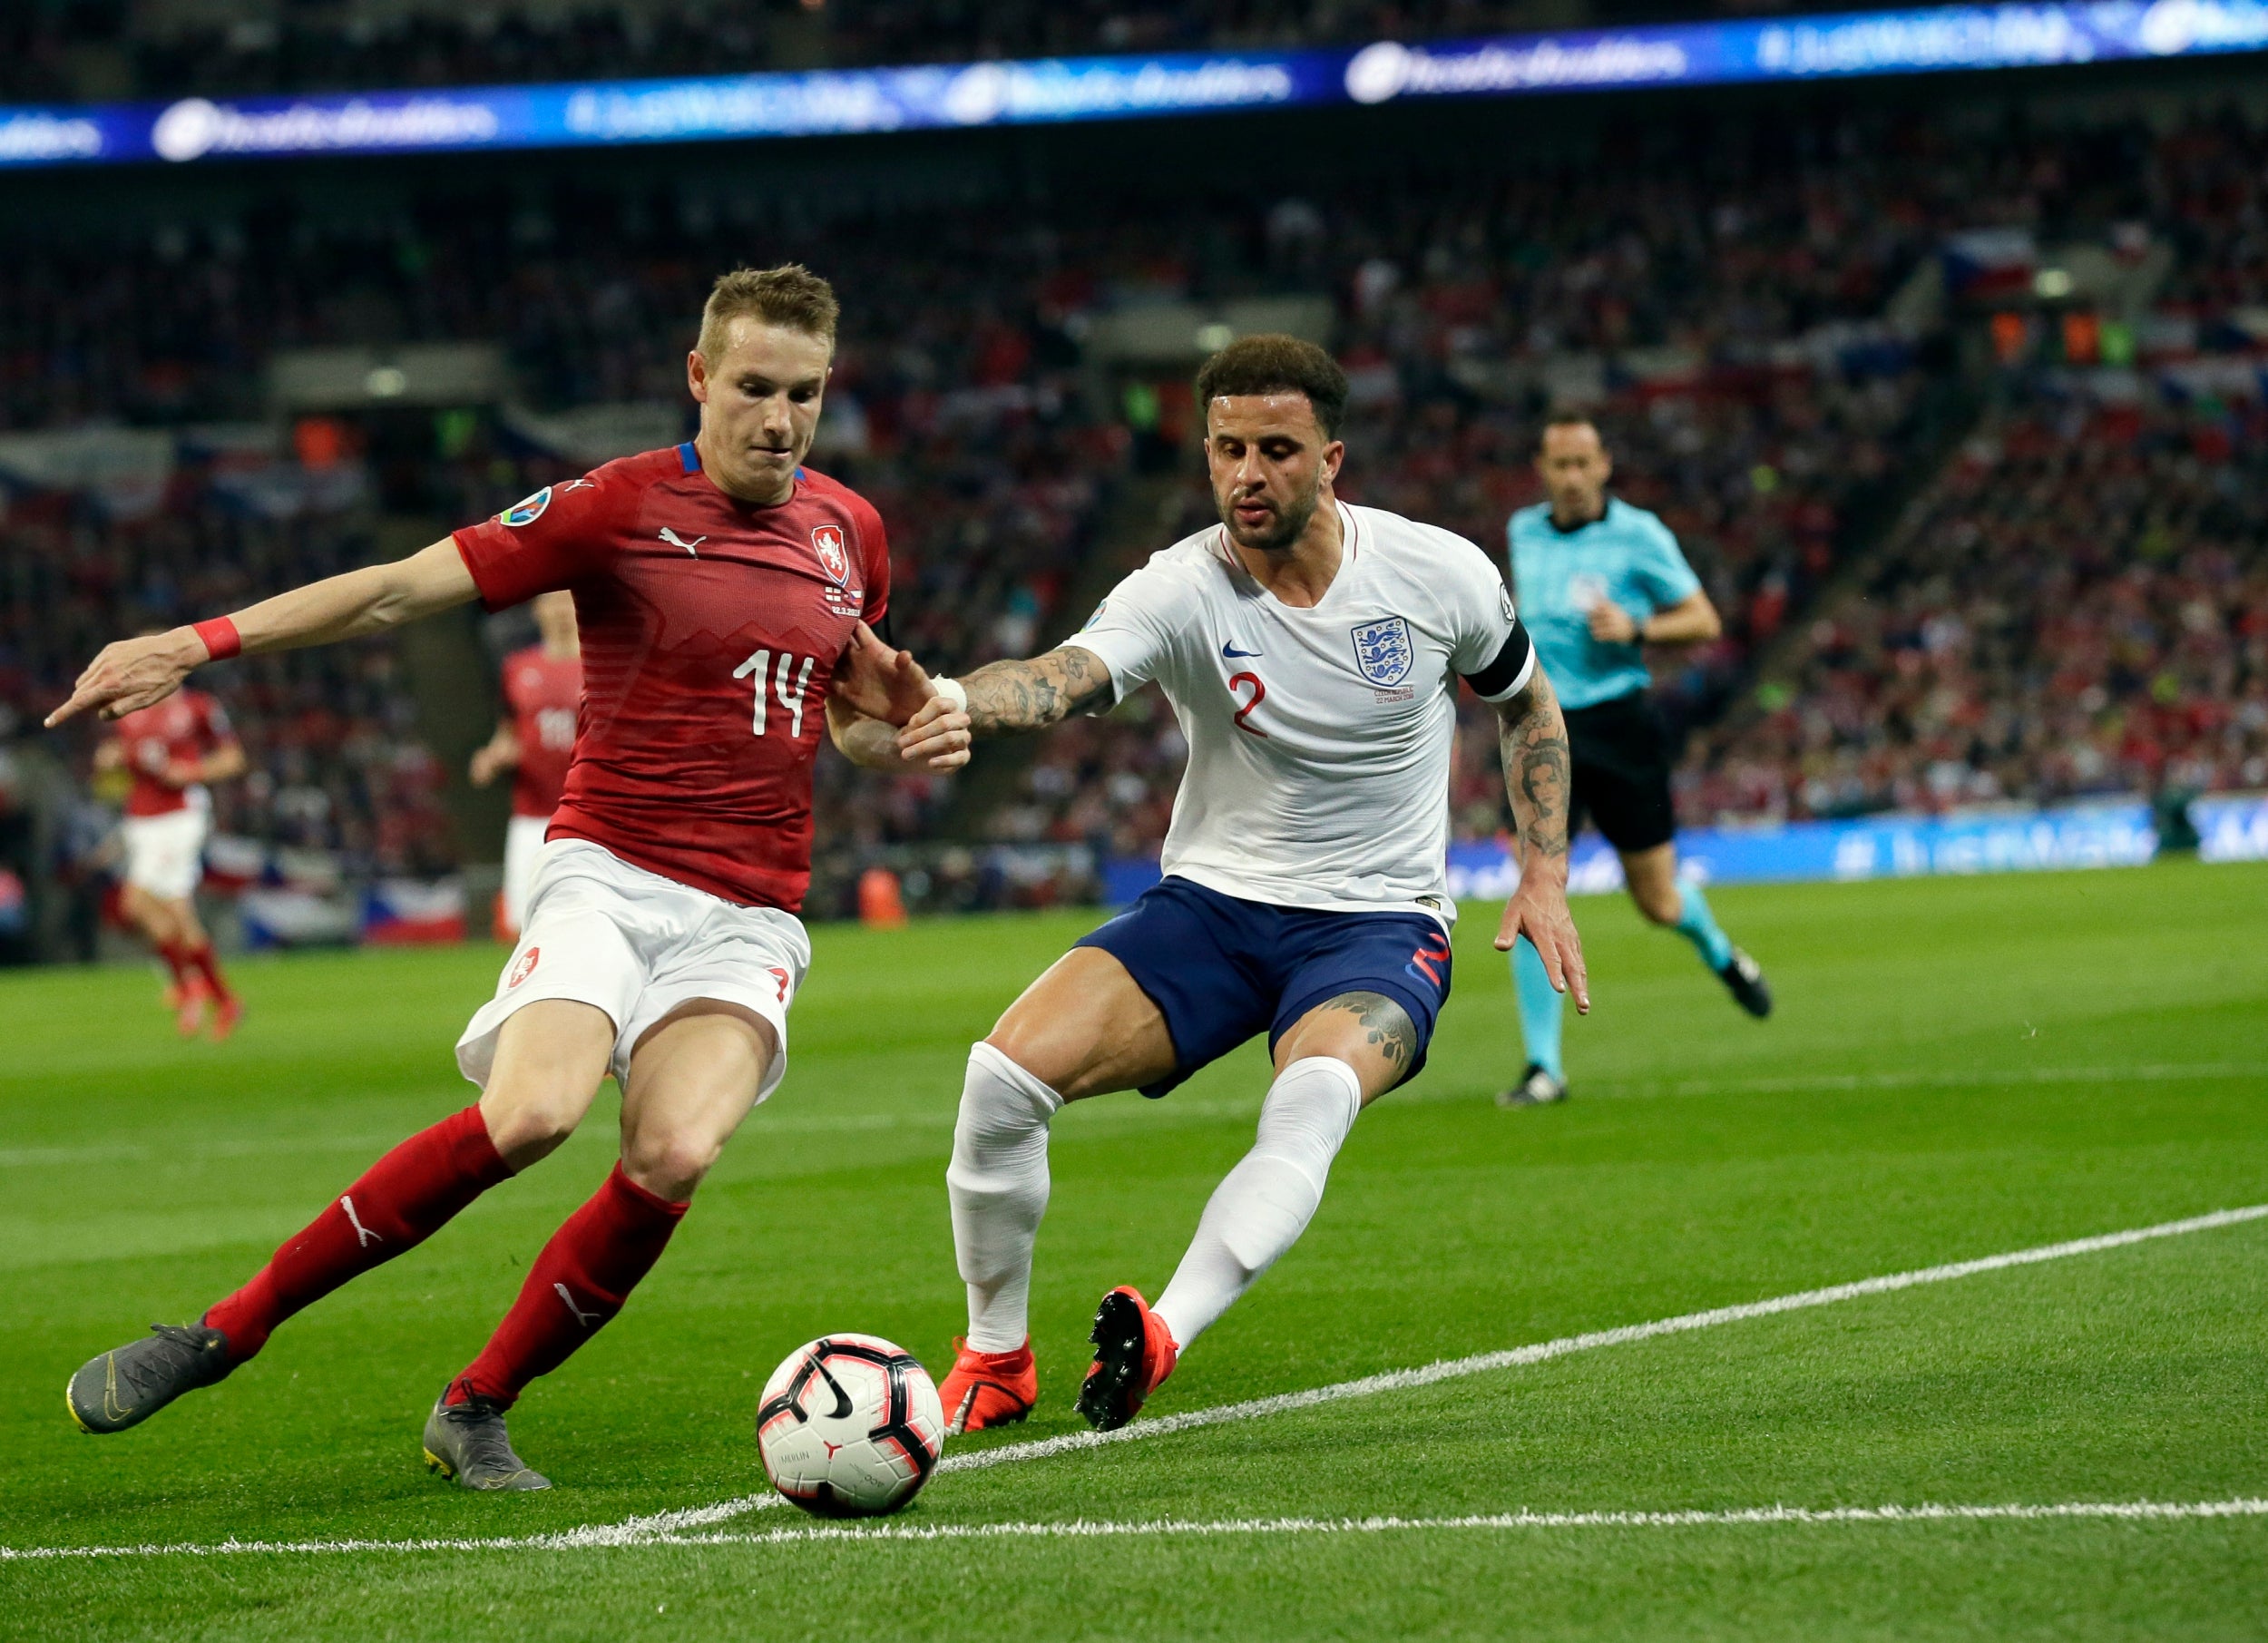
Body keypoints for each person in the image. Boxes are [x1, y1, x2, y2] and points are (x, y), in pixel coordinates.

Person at [51, 265, 956, 1490]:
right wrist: (197, 641)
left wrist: (899, 728)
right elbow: (392, 591)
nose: (779, 418)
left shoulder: (850, 531)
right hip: (610, 869)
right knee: (533, 1113)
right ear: (700, 377)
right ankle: (225, 1328)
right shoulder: (616, 506)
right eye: (753, 387)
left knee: (674, 1156)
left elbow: (838, 720)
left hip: (749, 910)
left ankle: (476, 1404)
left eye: (803, 393)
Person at [893, 336, 1589, 1436]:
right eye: (1226, 449)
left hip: (1377, 923)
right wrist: (951, 697)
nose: (1246, 474)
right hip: (1214, 910)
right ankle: (993, 1354)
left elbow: (1528, 704)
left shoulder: (1433, 572)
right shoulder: (1179, 587)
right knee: (998, 1080)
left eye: (1275, 449)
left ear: (1332, 459)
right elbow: (1062, 675)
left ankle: (1162, 1329)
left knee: (1308, 1098)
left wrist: (1542, 871)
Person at [1498, 413, 1771, 1110]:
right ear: (1542, 468)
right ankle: (1543, 1068)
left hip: (1621, 726)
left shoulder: (1639, 534)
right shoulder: (1523, 531)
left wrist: (1639, 627)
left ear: (1605, 464)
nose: (1573, 476)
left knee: (1657, 900)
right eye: (1560, 464)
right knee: (1536, 886)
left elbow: (1704, 620)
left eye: (1584, 462)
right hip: (1543, 725)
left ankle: (1719, 950)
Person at [96, 683, 248, 1038]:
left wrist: (193, 772)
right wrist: (110, 759)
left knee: (139, 902)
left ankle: (190, 986)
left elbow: (233, 758)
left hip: (179, 816)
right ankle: (216, 995)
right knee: (166, 912)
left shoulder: (198, 707)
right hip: (141, 819)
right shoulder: (129, 712)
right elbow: (129, 757)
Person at [469, 590, 582, 940]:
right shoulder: (518, 667)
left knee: (585, 919)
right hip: (531, 815)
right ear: (538, 610)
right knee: (522, 922)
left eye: (568, 602)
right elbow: (509, 731)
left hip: (589, 815)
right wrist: (493, 756)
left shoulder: (606, 666)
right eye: (553, 602)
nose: (561, 611)